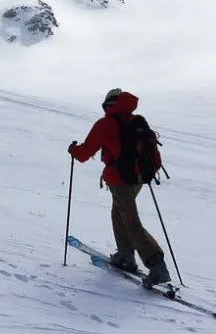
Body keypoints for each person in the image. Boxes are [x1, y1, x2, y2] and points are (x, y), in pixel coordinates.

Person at [68, 88, 171, 287]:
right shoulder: (137, 121)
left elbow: (83, 154)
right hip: (138, 180)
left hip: (119, 180)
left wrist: (73, 150)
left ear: (107, 104)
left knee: (130, 221)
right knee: (118, 214)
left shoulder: (106, 124)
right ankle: (125, 256)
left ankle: (157, 265)